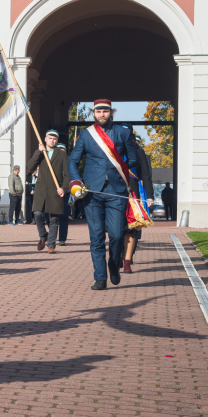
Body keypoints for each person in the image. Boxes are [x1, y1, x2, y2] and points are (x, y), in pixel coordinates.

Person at [67, 99, 140, 290]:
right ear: (94, 113)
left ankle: (113, 264)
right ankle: (100, 277)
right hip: (92, 192)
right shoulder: (86, 134)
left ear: (111, 112)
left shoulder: (123, 133)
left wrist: (120, 171)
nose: (102, 114)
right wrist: (77, 181)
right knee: (97, 237)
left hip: (116, 190)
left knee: (116, 234)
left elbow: (133, 159)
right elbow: (72, 161)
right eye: (98, 111)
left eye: (105, 111)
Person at [26, 129, 69, 253]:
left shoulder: (61, 154)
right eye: (50, 138)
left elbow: (68, 174)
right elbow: (30, 166)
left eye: (55, 139)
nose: (52, 141)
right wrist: (39, 152)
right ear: (45, 139)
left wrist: (64, 188)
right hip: (40, 190)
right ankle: (43, 236)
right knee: (37, 214)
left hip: (55, 190)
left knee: (53, 219)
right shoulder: (40, 152)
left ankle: (51, 245)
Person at [122, 140, 154, 273]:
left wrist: (150, 196)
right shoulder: (114, 150)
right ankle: (119, 255)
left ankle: (128, 259)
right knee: (116, 229)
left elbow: (146, 175)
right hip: (116, 192)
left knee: (132, 228)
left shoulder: (139, 152)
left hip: (134, 193)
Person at [56, 143, 70, 245]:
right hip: (53, 193)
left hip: (65, 193)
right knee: (51, 217)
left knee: (64, 217)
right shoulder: (52, 163)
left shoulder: (69, 164)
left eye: (63, 151)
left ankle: (62, 239)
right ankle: (51, 237)